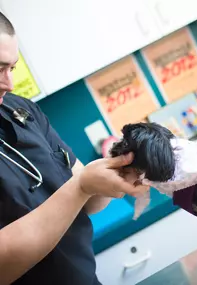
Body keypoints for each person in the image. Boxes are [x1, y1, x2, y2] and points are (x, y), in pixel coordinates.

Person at [0, 12, 149, 285]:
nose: (8, 83)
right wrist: (81, 186)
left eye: (12, 68)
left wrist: (116, 168)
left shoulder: (21, 110)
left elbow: (90, 200)